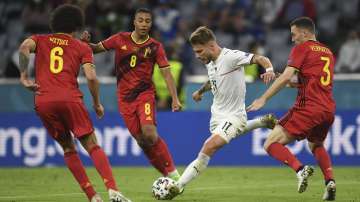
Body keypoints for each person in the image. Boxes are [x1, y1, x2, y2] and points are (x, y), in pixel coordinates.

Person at [18, 4, 131, 202]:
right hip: (69, 98)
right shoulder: (81, 47)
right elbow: (92, 78)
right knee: (92, 145)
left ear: (54, 23)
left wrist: (24, 76)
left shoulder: (39, 40)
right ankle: (113, 191)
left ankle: (93, 197)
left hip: (43, 100)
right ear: (78, 25)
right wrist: (96, 103)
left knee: (68, 148)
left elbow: (23, 48)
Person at [167, 26, 277, 199]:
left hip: (235, 116)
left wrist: (269, 70)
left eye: (199, 51)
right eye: (195, 52)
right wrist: (200, 92)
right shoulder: (210, 62)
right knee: (227, 136)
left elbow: (260, 58)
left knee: (208, 147)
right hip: (217, 116)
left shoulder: (231, 57)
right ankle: (260, 122)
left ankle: (178, 186)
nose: (197, 56)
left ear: (211, 46)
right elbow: (213, 80)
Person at [82, 8, 182, 180]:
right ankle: (166, 177)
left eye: (148, 21)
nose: (144, 24)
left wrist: (174, 98)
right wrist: (84, 43)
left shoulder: (155, 47)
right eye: (141, 20)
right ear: (134, 22)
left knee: (149, 133)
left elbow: (166, 73)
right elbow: (96, 49)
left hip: (145, 95)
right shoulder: (119, 38)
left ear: (151, 24)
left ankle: (174, 174)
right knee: (142, 141)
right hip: (124, 98)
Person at [247, 17, 336, 201]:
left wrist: (263, 98)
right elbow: (310, 80)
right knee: (315, 144)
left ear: (305, 33)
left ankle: (300, 169)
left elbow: (288, 76)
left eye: (294, 35)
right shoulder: (328, 52)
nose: (293, 39)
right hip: (327, 109)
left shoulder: (302, 48)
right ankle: (330, 182)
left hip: (308, 107)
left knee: (270, 143)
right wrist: (290, 81)